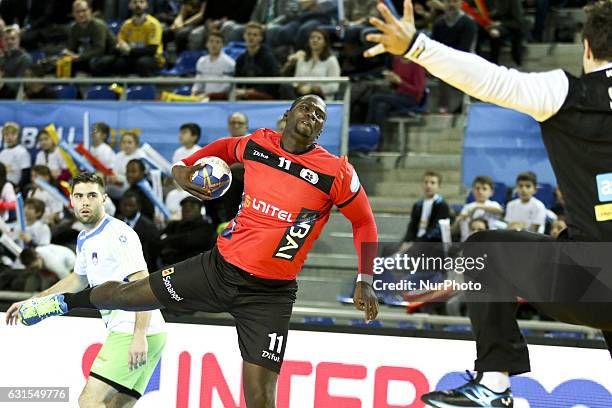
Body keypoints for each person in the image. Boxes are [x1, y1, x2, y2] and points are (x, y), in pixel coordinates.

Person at [12, 95, 380, 408]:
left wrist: (365, 277)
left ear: (320, 129)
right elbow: (221, 149)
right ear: (287, 116)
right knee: (127, 295)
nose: (312, 117)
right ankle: (64, 303)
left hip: (270, 296)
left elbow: (365, 222)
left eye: (320, 115)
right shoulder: (257, 144)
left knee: (262, 400)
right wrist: (181, 170)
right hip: (216, 270)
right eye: (306, 108)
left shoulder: (337, 173)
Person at [365, 1, 612, 406]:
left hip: (589, 281)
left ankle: (495, 383)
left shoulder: (568, 91)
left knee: (485, 249)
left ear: (586, 49)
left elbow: (489, 79)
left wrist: (415, 46)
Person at [7, 173, 166, 407]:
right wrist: (32, 302)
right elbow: (75, 281)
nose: (85, 202)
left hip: (134, 328)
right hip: (147, 331)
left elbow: (143, 281)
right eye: (79, 196)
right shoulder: (85, 237)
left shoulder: (118, 233)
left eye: (92, 195)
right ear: (71, 201)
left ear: (103, 199)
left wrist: (138, 335)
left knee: (89, 401)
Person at [397, 171, 450, 254]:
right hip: (415, 240)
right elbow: (412, 225)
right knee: (389, 248)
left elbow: (435, 231)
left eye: (432, 183)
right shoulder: (418, 205)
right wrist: (407, 240)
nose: (428, 185)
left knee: (412, 252)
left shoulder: (442, 206)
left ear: (438, 186)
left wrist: (414, 243)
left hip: (432, 243)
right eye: (426, 182)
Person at [281, 28, 341, 100]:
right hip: (302, 95)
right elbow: (296, 81)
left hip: (320, 97)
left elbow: (334, 86)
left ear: (325, 43)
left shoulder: (331, 60)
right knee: (285, 86)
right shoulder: (302, 60)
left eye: (319, 38)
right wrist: (299, 87)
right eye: (312, 37)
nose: (315, 40)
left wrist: (313, 89)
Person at [157, 196, 216, 265]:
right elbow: (157, 238)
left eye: (192, 206)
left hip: (192, 265)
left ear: (199, 209)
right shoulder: (174, 224)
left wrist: (168, 239)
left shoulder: (205, 226)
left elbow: (189, 241)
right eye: (184, 207)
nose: (187, 209)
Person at [63, 0, 116, 76]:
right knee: (66, 62)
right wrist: (67, 53)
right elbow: (72, 48)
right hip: (89, 56)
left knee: (95, 63)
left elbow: (99, 49)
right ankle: (71, 86)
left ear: (90, 11)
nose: (81, 14)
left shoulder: (98, 25)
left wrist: (79, 57)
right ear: (73, 14)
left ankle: (98, 86)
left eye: (84, 11)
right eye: (77, 12)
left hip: (108, 55)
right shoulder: (74, 28)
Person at [234, 22, 281, 100]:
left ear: (260, 38)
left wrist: (249, 91)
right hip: (245, 94)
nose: (251, 37)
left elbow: (273, 83)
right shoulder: (240, 59)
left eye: (255, 35)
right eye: (249, 34)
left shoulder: (268, 57)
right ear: (244, 36)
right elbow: (237, 82)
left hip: (266, 95)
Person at [452, 175, 504, 241]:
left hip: (488, 242)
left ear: (491, 192)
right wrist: (458, 219)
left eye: (484, 189)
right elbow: (453, 230)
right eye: (477, 188)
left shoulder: (493, 204)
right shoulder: (467, 207)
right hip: (467, 242)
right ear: (473, 190)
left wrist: (477, 207)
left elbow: (500, 211)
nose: (480, 192)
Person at [120, 190, 160, 273]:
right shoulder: (117, 223)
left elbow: (151, 256)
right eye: (124, 205)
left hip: (143, 271)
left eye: (131, 205)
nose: (127, 208)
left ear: (138, 207)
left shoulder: (149, 227)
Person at [191, 31, 235, 100]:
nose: (214, 45)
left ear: (222, 45)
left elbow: (226, 87)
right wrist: (194, 93)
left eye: (217, 42)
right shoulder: (201, 61)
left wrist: (209, 95)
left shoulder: (229, 63)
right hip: (204, 98)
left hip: (221, 99)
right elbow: (198, 82)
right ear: (206, 44)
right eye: (211, 41)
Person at [0, 25, 32, 94]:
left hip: (15, 99)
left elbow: (19, 85)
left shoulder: (25, 59)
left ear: (19, 40)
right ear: (2, 41)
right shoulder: (1, 58)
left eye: (13, 38)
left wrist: (2, 82)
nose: (9, 42)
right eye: (6, 39)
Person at [0, 121, 31, 189]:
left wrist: (18, 188)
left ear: (18, 136)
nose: (9, 137)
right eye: (6, 134)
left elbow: (26, 174)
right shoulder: (2, 153)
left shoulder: (22, 152)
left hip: (14, 186)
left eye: (13, 134)